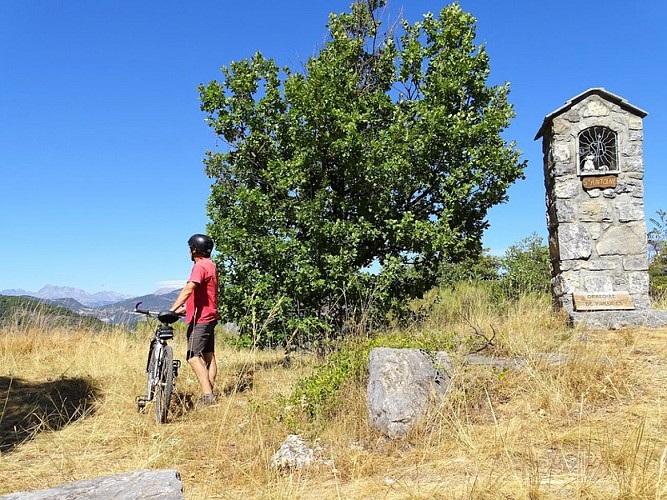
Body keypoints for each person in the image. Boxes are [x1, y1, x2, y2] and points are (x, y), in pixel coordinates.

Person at [170, 233, 220, 406]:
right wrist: (186, 309)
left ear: (194, 250)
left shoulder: (199, 266)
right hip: (210, 315)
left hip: (201, 319)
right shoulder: (211, 265)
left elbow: (188, 289)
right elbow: (206, 295)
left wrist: (172, 310)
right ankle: (209, 392)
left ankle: (208, 397)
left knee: (192, 356)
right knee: (208, 356)